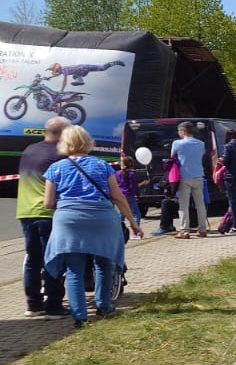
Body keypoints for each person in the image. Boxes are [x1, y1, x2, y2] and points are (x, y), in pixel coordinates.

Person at [42, 125, 143, 327]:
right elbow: (118, 197)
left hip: (69, 220)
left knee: (74, 270)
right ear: (88, 142)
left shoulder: (55, 168)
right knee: (104, 263)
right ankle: (104, 306)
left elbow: (48, 203)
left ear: (64, 143)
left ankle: (79, 317)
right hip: (102, 218)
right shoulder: (102, 165)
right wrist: (133, 223)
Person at [16, 115, 69, 317]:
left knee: (33, 259)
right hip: (48, 212)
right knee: (53, 259)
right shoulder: (60, 154)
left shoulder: (29, 149)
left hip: (25, 211)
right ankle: (54, 306)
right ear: (62, 133)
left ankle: (34, 305)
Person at [169, 121, 209, 237]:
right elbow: (202, 155)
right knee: (200, 204)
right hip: (198, 175)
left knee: (183, 205)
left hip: (184, 177)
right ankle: (202, 229)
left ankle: (184, 230)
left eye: (179, 131)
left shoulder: (177, 143)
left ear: (183, 131)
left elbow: (172, 157)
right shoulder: (201, 143)